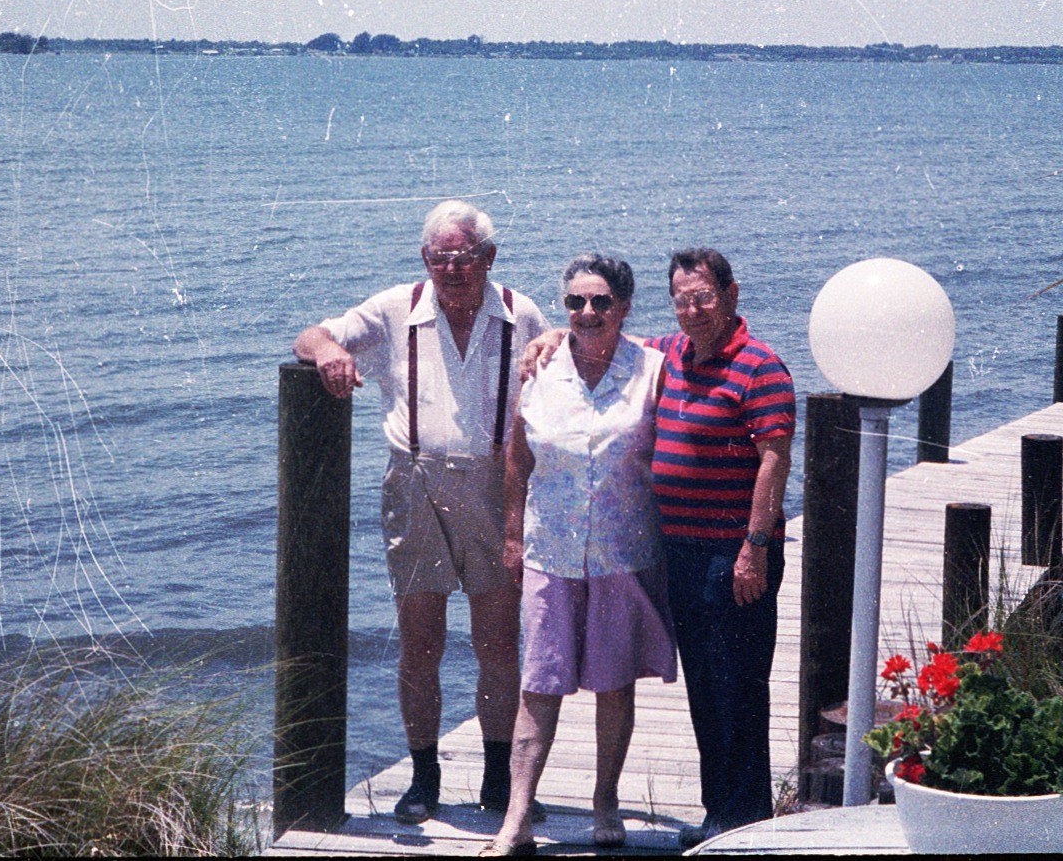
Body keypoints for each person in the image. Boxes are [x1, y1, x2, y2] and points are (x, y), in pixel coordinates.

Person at [520, 248, 795, 846]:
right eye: (682, 299)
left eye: (704, 296)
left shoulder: (760, 367)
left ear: (731, 294)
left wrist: (755, 546)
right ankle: (720, 810)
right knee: (705, 685)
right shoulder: (673, 353)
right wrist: (545, 338)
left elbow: (774, 460)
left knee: (739, 685)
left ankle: (743, 815)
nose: (693, 309)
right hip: (680, 550)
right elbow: (603, 333)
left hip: (734, 554)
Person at [293, 200, 550, 824]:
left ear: (489, 257)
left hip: (496, 485)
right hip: (414, 487)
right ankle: (423, 778)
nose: (454, 270)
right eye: (441, 258)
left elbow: (552, 379)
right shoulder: (392, 308)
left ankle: (498, 779)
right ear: (424, 259)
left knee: (497, 642)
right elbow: (309, 335)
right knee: (420, 641)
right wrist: (329, 351)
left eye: (465, 258)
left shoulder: (523, 312)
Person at [490, 254, 677, 856]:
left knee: (614, 683)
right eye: (574, 303)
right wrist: (513, 535)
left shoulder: (653, 368)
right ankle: (516, 818)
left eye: (600, 302)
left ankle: (605, 799)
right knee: (538, 685)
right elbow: (517, 458)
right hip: (553, 552)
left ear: (623, 307)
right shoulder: (540, 369)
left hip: (624, 551)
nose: (586, 313)